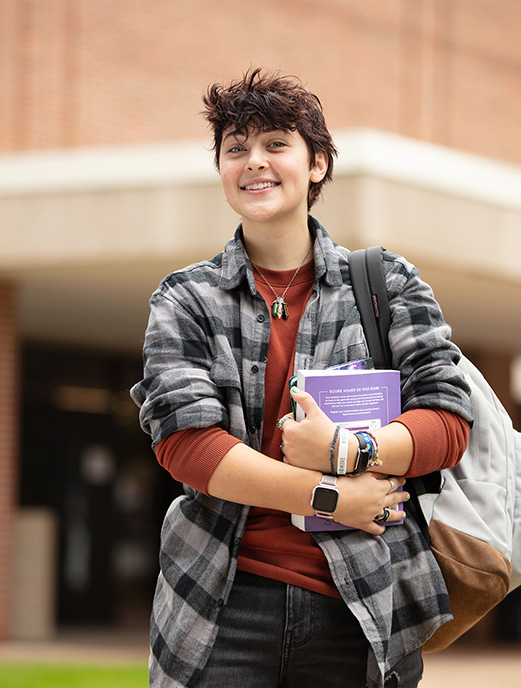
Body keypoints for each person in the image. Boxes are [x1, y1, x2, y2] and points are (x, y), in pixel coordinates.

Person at [130, 69, 473, 688]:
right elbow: (187, 445)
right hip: (219, 605)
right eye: (235, 148)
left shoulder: (387, 284)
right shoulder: (186, 299)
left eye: (276, 144)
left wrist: (349, 449)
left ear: (316, 165)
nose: (253, 161)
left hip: (362, 607)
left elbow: (447, 418)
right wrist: (328, 494)